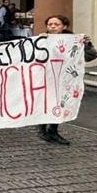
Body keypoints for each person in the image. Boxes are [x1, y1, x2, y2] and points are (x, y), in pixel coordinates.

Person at [39, 15, 73, 145]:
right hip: (45, 77)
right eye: (50, 24)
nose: (52, 27)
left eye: (56, 24)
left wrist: (86, 45)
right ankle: (42, 130)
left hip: (65, 78)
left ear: (64, 26)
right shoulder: (41, 39)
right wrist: (40, 41)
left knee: (60, 104)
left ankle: (53, 130)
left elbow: (91, 56)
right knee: (45, 103)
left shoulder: (73, 40)